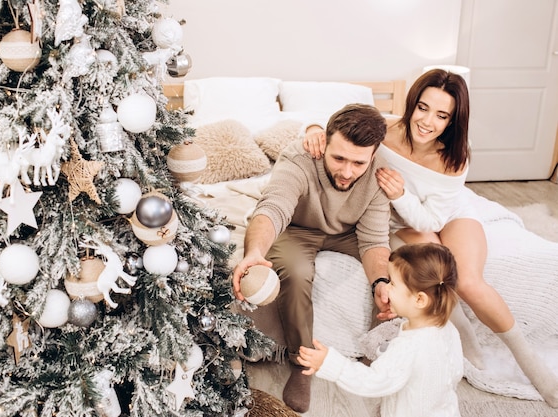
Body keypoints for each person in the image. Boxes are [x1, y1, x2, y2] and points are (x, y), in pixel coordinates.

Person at [302, 68, 558, 408]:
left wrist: (401, 194)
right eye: (422, 108)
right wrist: (313, 129)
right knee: (433, 270)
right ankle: (466, 341)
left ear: (452, 121)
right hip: (402, 224)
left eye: (441, 115)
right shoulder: (385, 132)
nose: (426, 121)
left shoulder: (454, 156)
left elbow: (433, 219)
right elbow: (337, 130)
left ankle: (535, 368)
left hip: (445, 214)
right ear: (412, 104)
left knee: (467, 281)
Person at [232, 103, 394, 413]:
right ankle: (302, 363)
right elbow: (274, 208)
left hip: (348, 233)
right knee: (294, 270)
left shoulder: (379, 172)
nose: (347, 172)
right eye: (339, 158)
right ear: (326, 140)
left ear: (373, 155)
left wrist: (381, 281)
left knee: (397, 273)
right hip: (297, 228)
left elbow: (374, 240)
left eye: (358, 162)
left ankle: (377, 352)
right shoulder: (300, 156)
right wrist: (253, 252)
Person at [298, 243, 463, 417]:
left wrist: (330, 363)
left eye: (393, 283)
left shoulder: (408, 347)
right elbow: (454, 372)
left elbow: (373, 381)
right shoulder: (447, 329)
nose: (387, 287)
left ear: (420, 300)